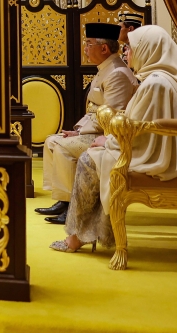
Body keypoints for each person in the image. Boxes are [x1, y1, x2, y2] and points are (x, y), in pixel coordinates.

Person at [52, 25, 177, 253]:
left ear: (149, 50)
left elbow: (137, 128)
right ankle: (87, 234)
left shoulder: (155, 84)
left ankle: (78, 236)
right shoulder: (155, 79)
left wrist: (109, 142)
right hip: (153, 146)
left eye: (131, 47)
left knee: (90, 161)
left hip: (155, 153)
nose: (126, 52)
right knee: (95, 157)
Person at [38, 23, 138, 224]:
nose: (85, 49)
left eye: (88, 43)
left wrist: (84, 133)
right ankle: (64, 200)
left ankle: (73, 207)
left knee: (61, 146)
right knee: (51, 140)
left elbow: (112, 116)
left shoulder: (116, 73)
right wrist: (78, 131)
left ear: (104, 48)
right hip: (96, 129)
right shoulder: (106, 68)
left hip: (109, 137)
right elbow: (94, 109)